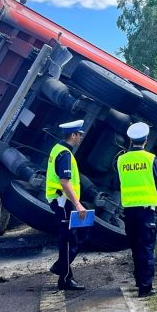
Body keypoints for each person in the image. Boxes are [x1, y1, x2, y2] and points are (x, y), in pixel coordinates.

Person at [116, 122, 157, 298]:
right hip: (146, 210)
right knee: (147, 248)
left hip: (128, 210)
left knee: (136, 247)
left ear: (131, 140)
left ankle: (139, 280)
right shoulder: (150, 158)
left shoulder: (121, 160)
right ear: (145, 140)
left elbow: (117, 183)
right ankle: (145, 287)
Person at [46, 120, 87, 291]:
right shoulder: (65, 154)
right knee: (70, 240)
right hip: (64, 202)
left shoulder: (58, 149)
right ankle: (64, 278)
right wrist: (78, 204)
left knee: (74, 237)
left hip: (63, 202)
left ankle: (61, 268)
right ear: (73, 135)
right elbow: (64, 182)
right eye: (79, 134)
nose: (81, 138)